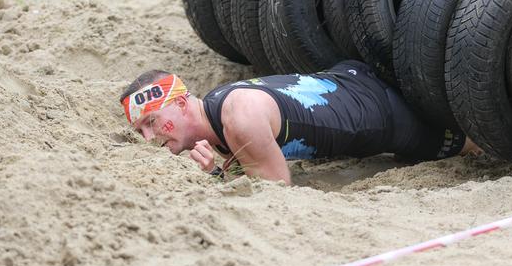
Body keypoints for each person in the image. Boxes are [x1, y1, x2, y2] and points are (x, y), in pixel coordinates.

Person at [120, 60, 478, 185]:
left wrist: (216, 178)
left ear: (181, 104)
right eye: (141, 131)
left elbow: (275, 189)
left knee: (478, 146)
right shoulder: (216, 106)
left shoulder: (238, 119)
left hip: (388, 114)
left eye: (152, 122)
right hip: (351, 80)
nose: (149, 137)